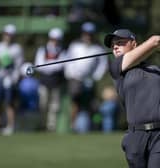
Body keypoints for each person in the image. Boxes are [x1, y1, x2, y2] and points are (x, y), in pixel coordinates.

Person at [104, 29, 160, 167]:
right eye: (113, 45)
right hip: (136, 136)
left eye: (120, 43)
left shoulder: (156, 70)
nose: (115, 47)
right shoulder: (116, 67)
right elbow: (154, 41)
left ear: (134, 44)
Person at [64, 22, 108, 132]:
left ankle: (93, 127)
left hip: (89, 80)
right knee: (75, 103)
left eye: (90, 34)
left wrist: (96, 76)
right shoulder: (74, 45)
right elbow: (68, 60)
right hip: (75, 79)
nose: (88, 36)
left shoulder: (97, 48)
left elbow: (103, 64)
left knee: (92, 104)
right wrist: (71, 74)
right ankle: (73, 126)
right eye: (86, 33)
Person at [0, 24, 24, 135]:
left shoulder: (17, 48)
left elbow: (18, 65)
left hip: (11, 79)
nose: (8, 37)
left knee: (9, 103)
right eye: (6, 34)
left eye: (10, 35)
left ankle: (10, 126)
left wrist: (14, 78)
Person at [34, 27, 65, 131]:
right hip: (44, 81)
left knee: (54, 106)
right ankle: (41, 124)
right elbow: (39, 65)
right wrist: (52, 65)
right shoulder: (42, 49)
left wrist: (48, 65)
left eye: (57, 39)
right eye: (54, 39)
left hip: (56, 82)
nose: (55, 41)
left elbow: (61, 65)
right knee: (42, 104)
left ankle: (51, 127)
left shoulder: (62, 50)